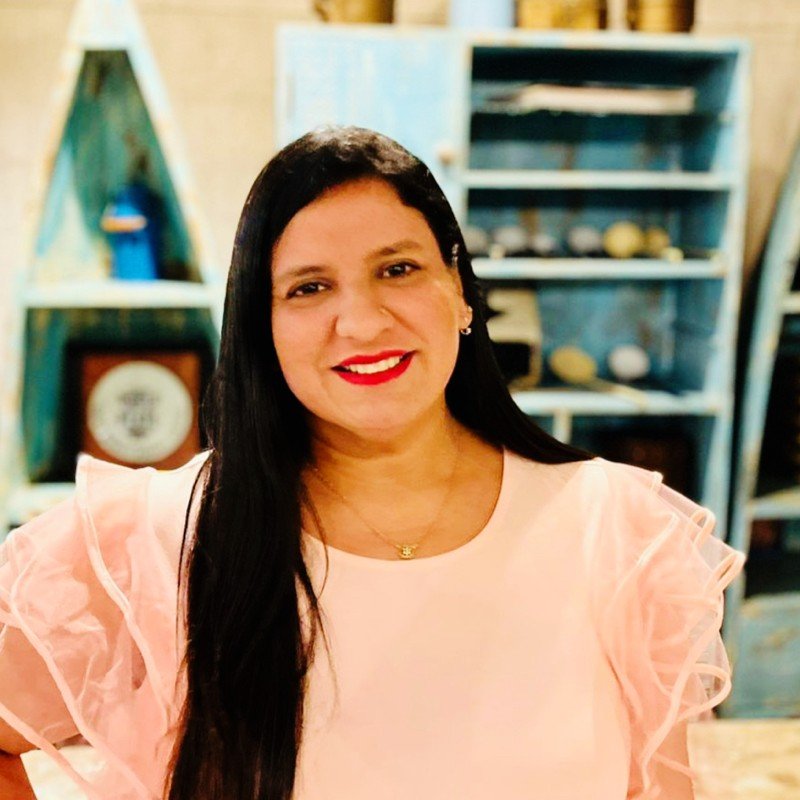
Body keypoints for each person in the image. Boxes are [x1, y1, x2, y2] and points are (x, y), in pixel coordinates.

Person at [0, 126, 745, 800]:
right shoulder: (157, 538)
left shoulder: (618, 531)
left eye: (398, 269)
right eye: (309, 287)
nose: (360, 322)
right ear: (263, 327)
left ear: (461, 291)